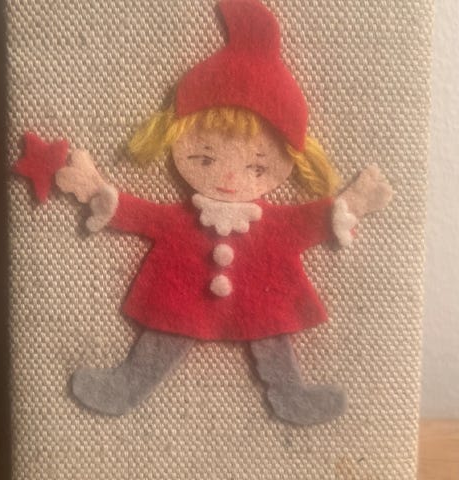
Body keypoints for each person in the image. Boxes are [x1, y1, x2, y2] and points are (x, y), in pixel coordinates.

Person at [55, 0, 392, 425]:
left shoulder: (273, 224)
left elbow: (309, 221)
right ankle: (125, 386)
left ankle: (291, 396)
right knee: (163, 335)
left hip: (260, 295)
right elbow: (144, 216)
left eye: (257, 167)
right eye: (206, 158)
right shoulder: (184, 217)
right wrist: (93, 188)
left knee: (273, 340)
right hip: (182, 294)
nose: (231, 177)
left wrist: (354, 203)